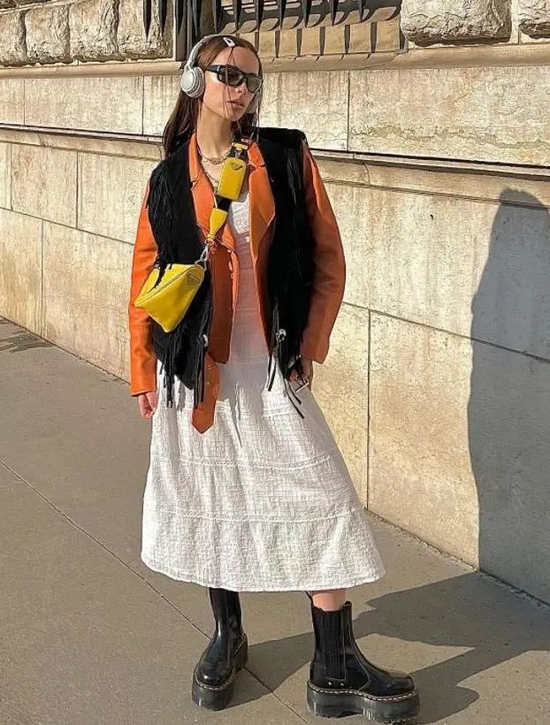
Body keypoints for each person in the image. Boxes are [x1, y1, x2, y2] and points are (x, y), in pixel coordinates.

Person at [127, 33, 420, 723]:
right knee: (213, 497)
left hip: (271, 368)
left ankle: (334, 662)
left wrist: (310, 342)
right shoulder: (167, 178)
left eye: (251, 79)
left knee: (323, 497)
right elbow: (144, 275)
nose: (242, 89)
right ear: (196, 79)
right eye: (228, 74)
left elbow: (328, 256)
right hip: (199, 373)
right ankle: (227, 635)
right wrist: (143, 369)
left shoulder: (284, 156)